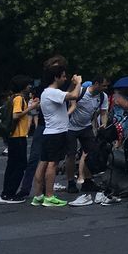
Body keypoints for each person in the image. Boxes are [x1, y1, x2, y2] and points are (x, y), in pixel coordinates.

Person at [32, 57, 81, 208]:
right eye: (64, 76)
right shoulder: (52, 92)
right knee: (52, 164)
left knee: (43, 162)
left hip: (49, 132)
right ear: (56, 77)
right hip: (57, 133)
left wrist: (72, 85)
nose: (65, 78)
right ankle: (49, 196)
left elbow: (64, 95)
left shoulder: (48, 93)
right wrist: (78, 83)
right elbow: (74, 96)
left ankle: (38, 195)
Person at [64, 75, 110, 203]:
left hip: (86, 127)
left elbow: (103, 112)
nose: (105, 88)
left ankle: (87, 180)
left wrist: (104, 124)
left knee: (91, 153)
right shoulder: (82, 92)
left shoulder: (102, 97)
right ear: (96, 83)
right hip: (71, 126)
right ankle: (71, 182)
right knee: (71, 155)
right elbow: (70, 97)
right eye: (104, 85)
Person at [0, 77, 36, 204]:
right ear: (23, 86)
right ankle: (10, 194)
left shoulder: (13, 97)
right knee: (19, 165)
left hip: (13, 137)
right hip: (18, 136)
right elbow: (16, 115)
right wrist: (31, 108)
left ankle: (6, 193)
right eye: (28, 84)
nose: (29, 86)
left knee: (12, 165)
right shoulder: (19, 98)